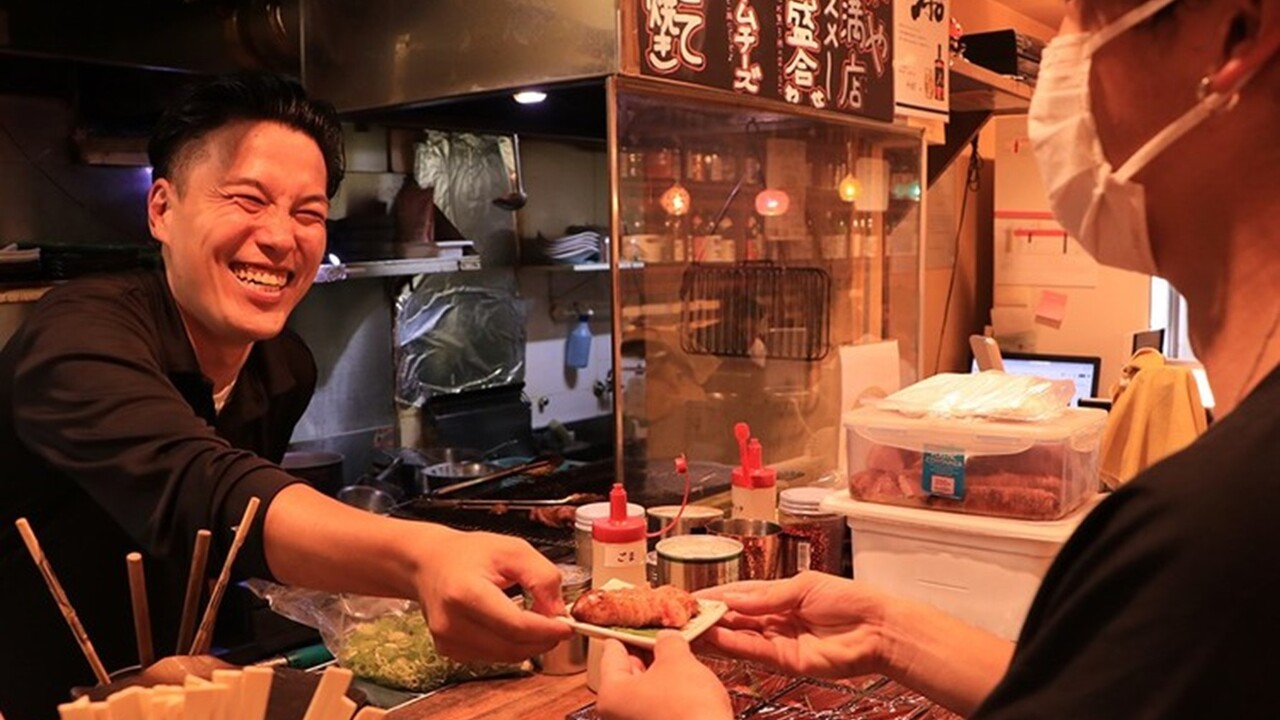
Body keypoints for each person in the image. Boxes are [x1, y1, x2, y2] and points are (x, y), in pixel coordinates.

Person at [597, 0, 1280, 716]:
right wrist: (887, 632)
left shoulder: (1226, 534)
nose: (1061, 56)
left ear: (1237, 29)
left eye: (1088, 12)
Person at [0, 72, 570, 718]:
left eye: (307, 213)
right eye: (247, 200)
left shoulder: (283, 366)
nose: (279, 237)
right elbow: (207, 487)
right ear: (161, 208)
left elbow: (224, 534)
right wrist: (426, 556)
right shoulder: (75, 337)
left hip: (173, 695)